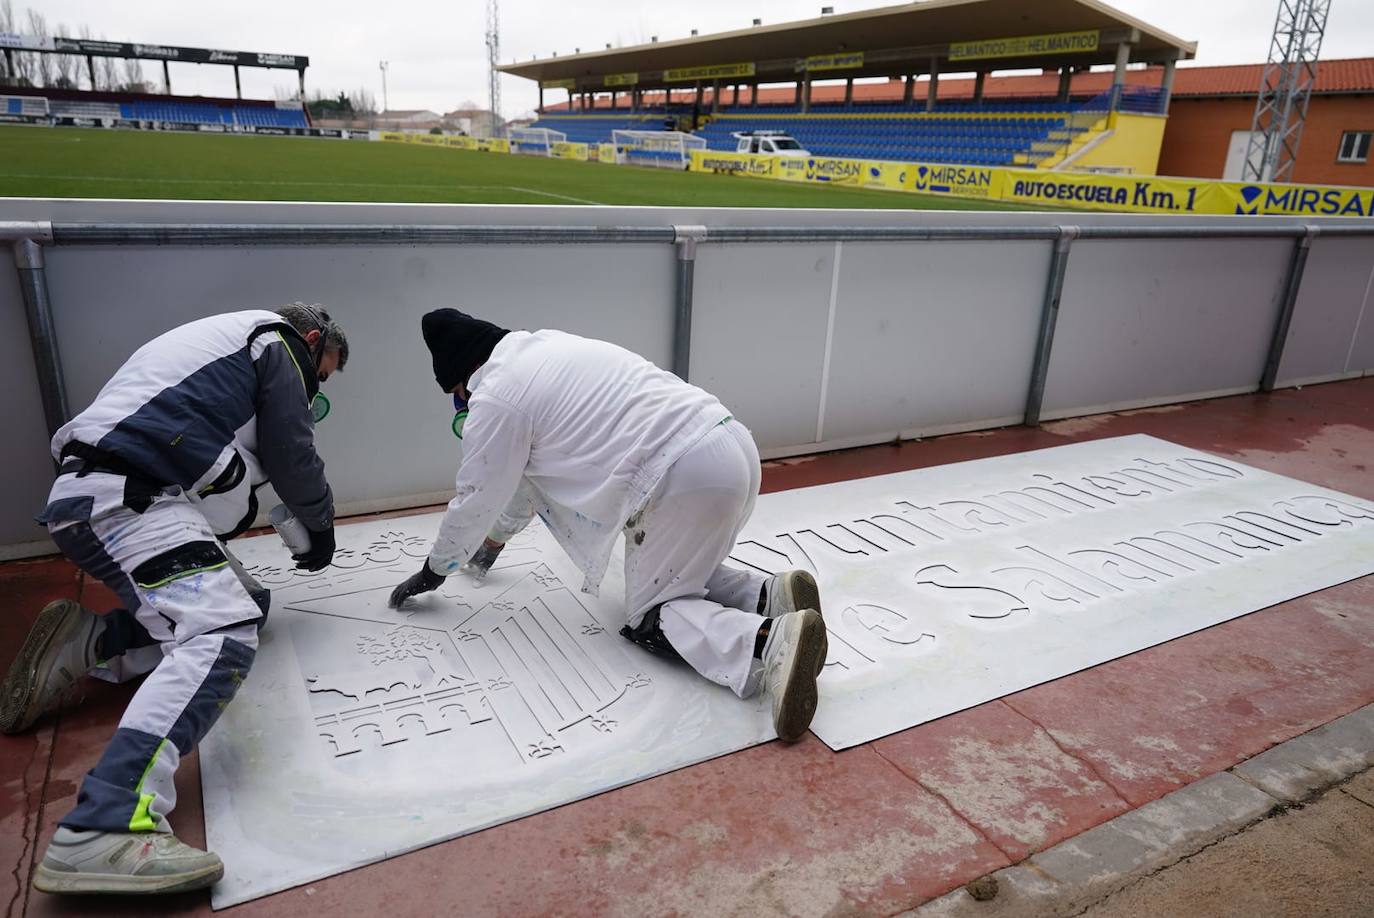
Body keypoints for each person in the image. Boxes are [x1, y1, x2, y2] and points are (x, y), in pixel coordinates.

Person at [0, 304, 348, 896]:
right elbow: (292, 451)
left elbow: (218, 477)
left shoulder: (219, 347)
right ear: (311, 340)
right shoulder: (278, 342)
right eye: (320, 377)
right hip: (130, 500)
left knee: (249, 602)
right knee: (223, 632)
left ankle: (94, 641)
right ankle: (105, 824)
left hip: (98, 497)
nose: (313, 390)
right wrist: (320, 527)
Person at [388, 309, 827, 742]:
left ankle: (769, 642)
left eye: (458, 396)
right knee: (674, 566)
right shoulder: (545, 347)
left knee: (651, 616)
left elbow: (478, 494)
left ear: (464, 377)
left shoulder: (496, 397)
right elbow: (523, 486)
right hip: (730, 445)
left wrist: (436, 568)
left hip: (680, 475)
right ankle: (768, 595)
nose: (463, 405)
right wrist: (491, 546)